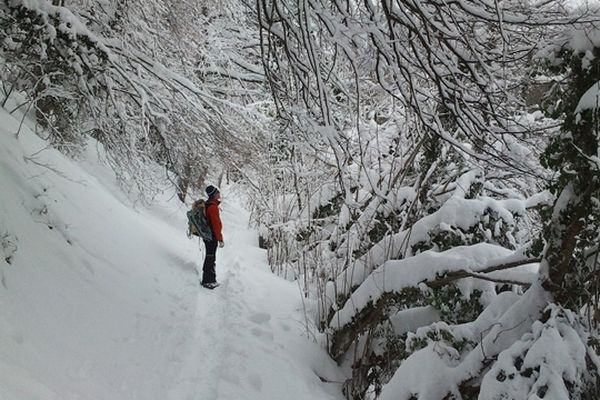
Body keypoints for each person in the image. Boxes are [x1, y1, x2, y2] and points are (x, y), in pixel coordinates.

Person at [201, 185, 224, 289]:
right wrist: (220, 238)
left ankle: (209, 279)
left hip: (208, 235)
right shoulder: (212, 207)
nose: (219, 194)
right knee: (210, 257)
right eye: (217, 192)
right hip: (211, 236)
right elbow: (215, 224)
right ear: (214, 195)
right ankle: (208, 281)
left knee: (210, 256)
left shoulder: (209, 204)